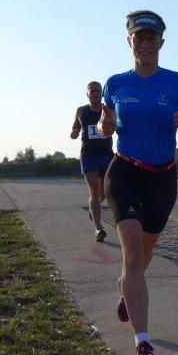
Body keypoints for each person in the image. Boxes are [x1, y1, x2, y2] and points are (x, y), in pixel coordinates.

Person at [98, 10, 178, 355]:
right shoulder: (115, 84)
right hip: (124, 173)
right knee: (132, 255)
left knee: (143, 256)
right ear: (129, 42)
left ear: (161, 42)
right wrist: (106, 126)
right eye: (138, 38)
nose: (145, 44)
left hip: (163, 178)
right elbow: (107, 123)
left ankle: (127, 289)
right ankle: (143, 344)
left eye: (151, 38)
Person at [71, 81, 114, 242]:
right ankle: (98, 228)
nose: (95, 93)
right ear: (87, 94)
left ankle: (93, 208)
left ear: (102, 93)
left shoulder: (108, 110)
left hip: (106, 155)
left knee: (104, 193)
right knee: (94, 190)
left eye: (98, 91)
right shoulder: (81, 110)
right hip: (88, 155)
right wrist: (74, 133)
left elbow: (118, 126)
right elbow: (75, 127)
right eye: (92, 91)